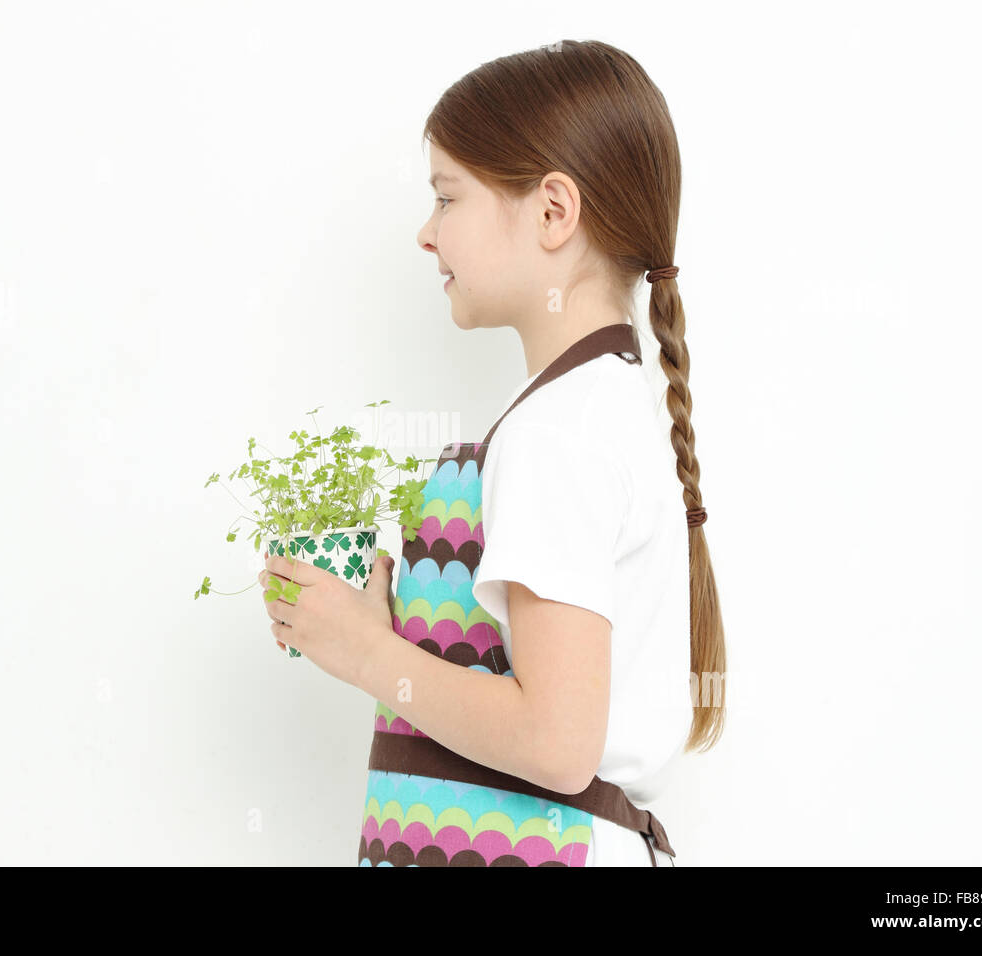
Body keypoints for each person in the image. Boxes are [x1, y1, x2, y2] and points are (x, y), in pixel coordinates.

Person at [260, 39, 726, 866]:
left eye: (448, 199)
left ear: (553, 211)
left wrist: (366, 652)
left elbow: (554, 742)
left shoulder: (561, 433)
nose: (426, 234)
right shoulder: (590, 411)